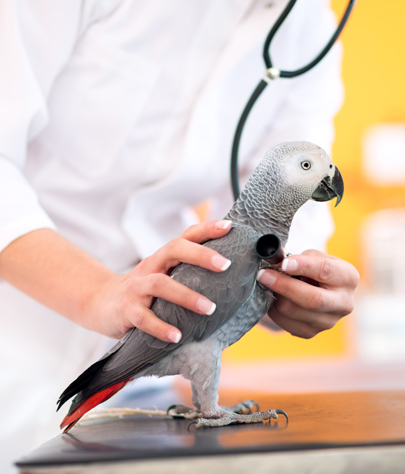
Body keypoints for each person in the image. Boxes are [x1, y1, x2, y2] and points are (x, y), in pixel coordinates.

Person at [0, 1, 359, 472]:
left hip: (160, 372)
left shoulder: (309, 23)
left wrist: (302, 286)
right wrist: (99, 292)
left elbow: (291, 184)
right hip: (20, 338)